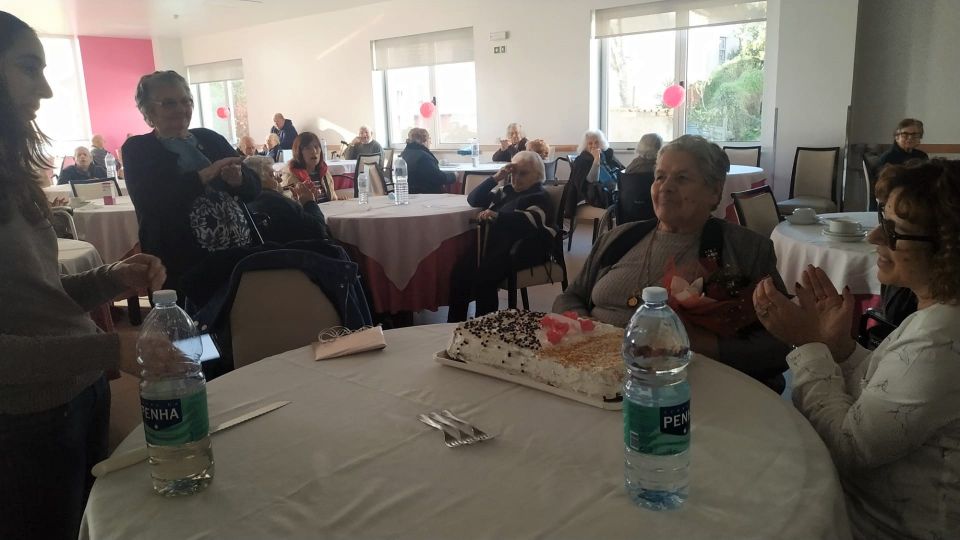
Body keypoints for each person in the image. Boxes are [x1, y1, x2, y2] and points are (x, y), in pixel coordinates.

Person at [0, 12, 166, 540]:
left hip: (78, 392)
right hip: (26, 417)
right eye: (28, 68)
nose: (46, 89)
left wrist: (113, 278)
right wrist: (110, 348)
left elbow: (39, 299)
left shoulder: (10, 176)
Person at [752, 159, 960, 539]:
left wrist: (809, 344)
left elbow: (847, 450)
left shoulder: (940, 341)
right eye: (882, 220)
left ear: (947, 250)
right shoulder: (939, 316)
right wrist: (841, 347)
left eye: (893, 231)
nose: (875, 237)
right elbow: (887, 387)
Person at [554, 135, 790, 390]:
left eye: (682, 178)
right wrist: (588, 331)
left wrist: (703, 344)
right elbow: (570, 297)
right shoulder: (618, 238)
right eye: (660, 177)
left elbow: (778, 345)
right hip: (596, 379)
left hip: (687, 389)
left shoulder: (745, 249)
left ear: (714, 191)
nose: (665, 187)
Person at [122, 70, 261, 296]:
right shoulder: (138, 149)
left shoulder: (210, 138)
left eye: (186, 101)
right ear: (148, 111)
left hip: (241, 256)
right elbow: (151, 202)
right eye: (169, 103)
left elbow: (254, 188)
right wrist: (205, 175)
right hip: (182, 267)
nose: (181, 108)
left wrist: (239, 180)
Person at [448, 151, 556, 322]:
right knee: (460, 272)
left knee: (484, 277)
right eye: (513, 173)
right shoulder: (506, 191)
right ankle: (454, 324)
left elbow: (529, 222)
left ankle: (485, 326)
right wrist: (496, 177)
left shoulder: (539, 196)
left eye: (523, 173)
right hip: (496, 246)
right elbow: (473, 199)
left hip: (523, 249)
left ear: (538, 175)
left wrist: (497, 216)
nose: (516, 179)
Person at [245, 155, 331, 243]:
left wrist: (299, 203)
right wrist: (309, 202)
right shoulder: (276, 202)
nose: (280, 180)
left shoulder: (249, 200)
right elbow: (320, 230)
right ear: (258, 180)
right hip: (305, 249)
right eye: (272, 175)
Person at [566, 129, 624, 214]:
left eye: (597, 142)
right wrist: (596, 160)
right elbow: (592, 181)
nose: (594, 145)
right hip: (597, 195)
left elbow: (622, 169)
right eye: (590, 143)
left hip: (615, 187)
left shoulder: (607, 155)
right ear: (585, 146)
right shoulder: (581, 160)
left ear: (601, 143)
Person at [617, 133, 663, 223]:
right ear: (658, 147)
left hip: (629, 212)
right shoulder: (658, 168)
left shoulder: (632, 166)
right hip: (653, 212)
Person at [281, 132, 339, 203]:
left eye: (316, 147)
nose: (314, 151)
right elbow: (288, 205)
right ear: (299, 152)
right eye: (308, 148)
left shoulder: (325, 173)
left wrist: (339, 200)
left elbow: (332, 199)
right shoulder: (289, 177)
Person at [400, 127, 456, 194]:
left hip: (409, 193)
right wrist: (453, 176)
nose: (430, 142)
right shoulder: (423, 157)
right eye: (429, 139)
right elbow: (438, 178)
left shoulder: (404, 154)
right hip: (428, 194)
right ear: (424, 140)